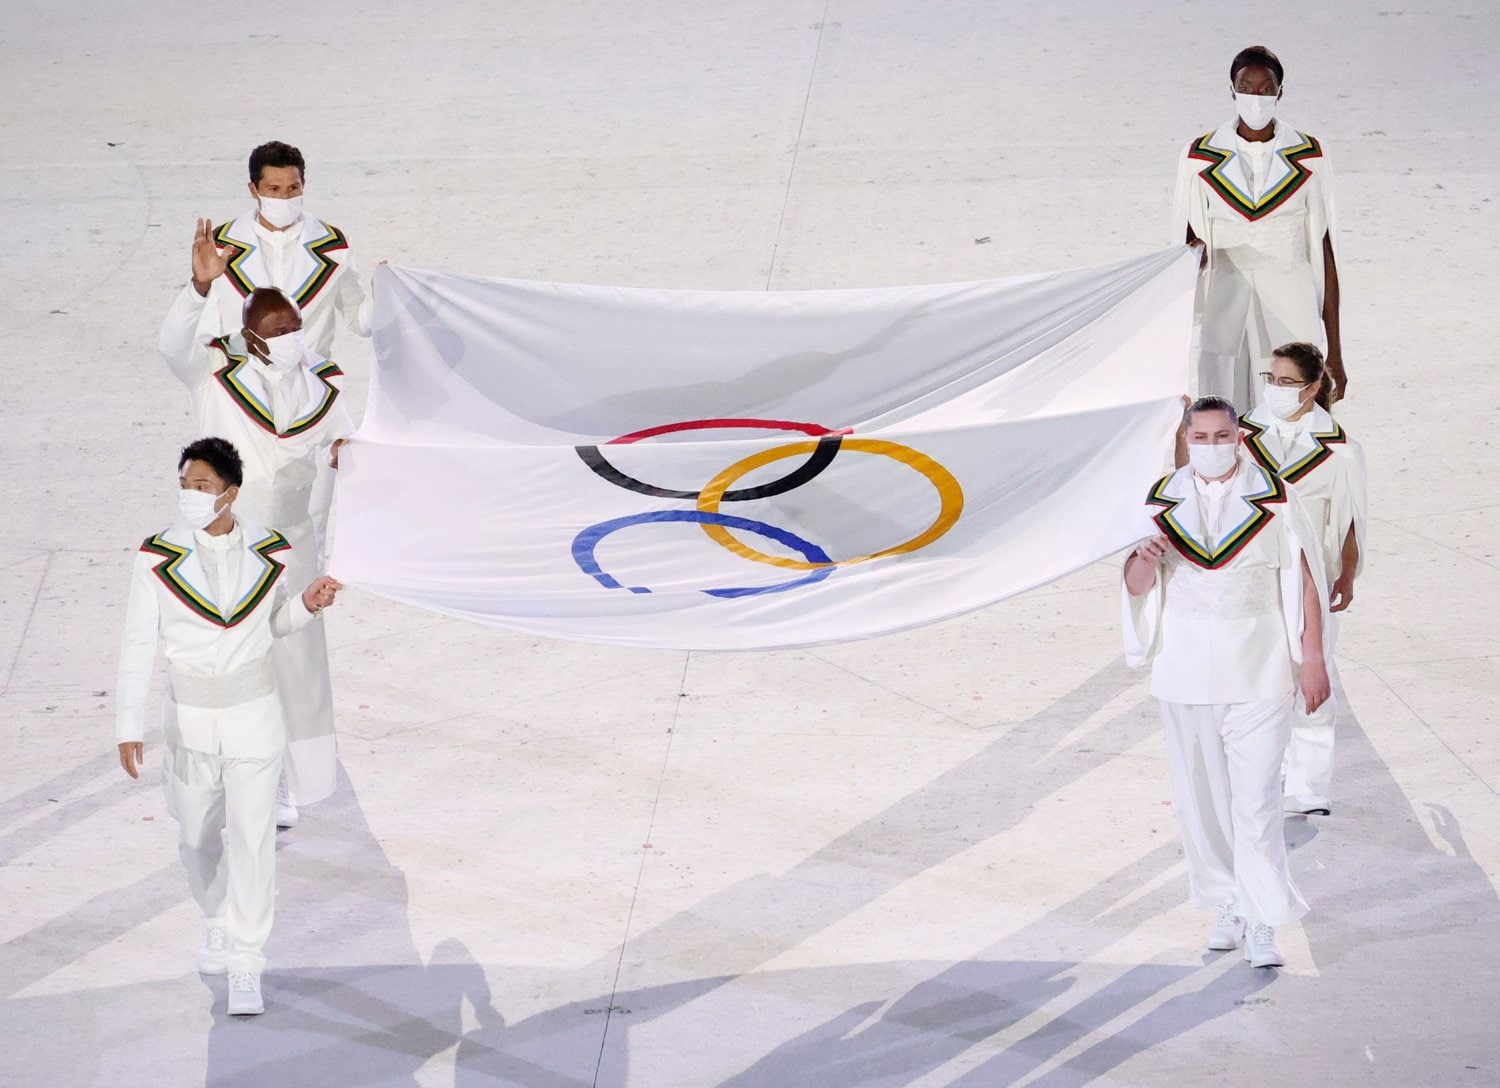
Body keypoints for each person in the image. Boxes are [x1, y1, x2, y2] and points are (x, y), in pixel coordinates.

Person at [116, 438, 342, 1015]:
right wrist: (128, 724)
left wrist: (307, 604)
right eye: (185, 486)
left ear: (230, 493)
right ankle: (216, 917)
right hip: (190, 724)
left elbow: (274, 623)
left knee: (253, 840)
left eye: (202, 486)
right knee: (195, 837)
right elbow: (138, 641)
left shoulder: (271, 551)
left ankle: (247, 961)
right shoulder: (155, 556)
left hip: (254, 717)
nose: (190, 496)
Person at [1123, 396, 1331, 968]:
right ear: (1185, 439)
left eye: (1222, 436)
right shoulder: (1159, 501)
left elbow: (1306, 577)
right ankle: (1230, 902)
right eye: (1201, 437)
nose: (1211, 447)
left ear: (1240, 438)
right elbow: (1136, 586)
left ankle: (1264, 918)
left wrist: (1312, 657)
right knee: (1204, 801)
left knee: (1257, 801)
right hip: (1185, 670)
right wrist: (1146, 558)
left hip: (1260, 667)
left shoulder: (1276, 497)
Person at [160, 220, 354, 826]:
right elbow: (173, 346)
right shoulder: (215, 375)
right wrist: (198, 287)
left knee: (294, 661)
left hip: (293, 539)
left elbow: (344, 444)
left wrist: (347, 454)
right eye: (278, 331)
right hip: (231, 540)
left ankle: (286, 776)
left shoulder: (322, 385)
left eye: (296, 327)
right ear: (251, 337)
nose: (292, 338)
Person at [1172, 46, 1346, 411]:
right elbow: (1184, 251)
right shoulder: (1199, 156)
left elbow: (1325, 251)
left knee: (1295, 406)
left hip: (1292, 298)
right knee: (1223, 406)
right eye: (1246, 87)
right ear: (1232, 90)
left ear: (1280, 92)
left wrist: (1336, 352)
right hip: (1225, 301)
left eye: (1266, 88)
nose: (1256, 97)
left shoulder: (1312, 155)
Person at [1240, 342, 1367, 816]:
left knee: (1311, 670)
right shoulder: (1242, 434)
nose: (1275, 389)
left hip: (1311, 571)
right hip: (1252, 569)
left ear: (1312, 387)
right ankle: (1263, 774)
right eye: (1271, 379)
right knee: (1257, 673)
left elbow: (1351, 519)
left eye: (1287, 382)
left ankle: (1308, 783)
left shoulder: (1340, 450)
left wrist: (1347, 573)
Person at [195, 140, 371, 359]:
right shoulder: (219, 245)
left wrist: (382, 294)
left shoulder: (335, 246)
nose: (285, 198)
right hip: (241, 374)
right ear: (253, 189)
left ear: (303, 184)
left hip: (309, 374)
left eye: (293, 188)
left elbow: (361, 323)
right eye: (274, 189)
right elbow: (200, 327)